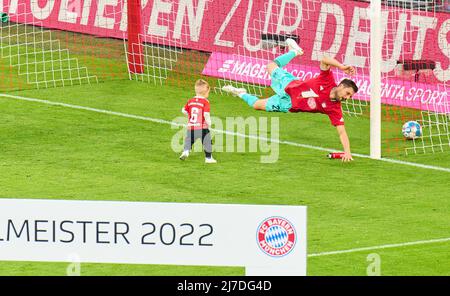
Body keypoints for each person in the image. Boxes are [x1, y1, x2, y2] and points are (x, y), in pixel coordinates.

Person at [222, 38, 358, 162]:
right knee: (270, 66)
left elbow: (342, 131)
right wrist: (341, 66)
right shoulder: (327, 80)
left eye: (349, 96)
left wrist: (347, 152)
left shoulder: (334, 108)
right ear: (341, 86)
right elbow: (324, 59)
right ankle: (295, 52)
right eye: (347, 93)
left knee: (257, 105)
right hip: (290, 85)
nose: (347, 98)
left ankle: (240, 93)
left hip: (288, 104)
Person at [179, 79, 217, 163]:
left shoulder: (190, 101)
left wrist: (189, 116)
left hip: (191, 126)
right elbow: (206, 114)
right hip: (202, 127)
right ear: (206, 92)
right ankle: (208, 158)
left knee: (189, 140)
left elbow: (183, 111)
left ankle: (185, 151)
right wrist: (209, 124)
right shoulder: (205, 102)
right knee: (207, 141)